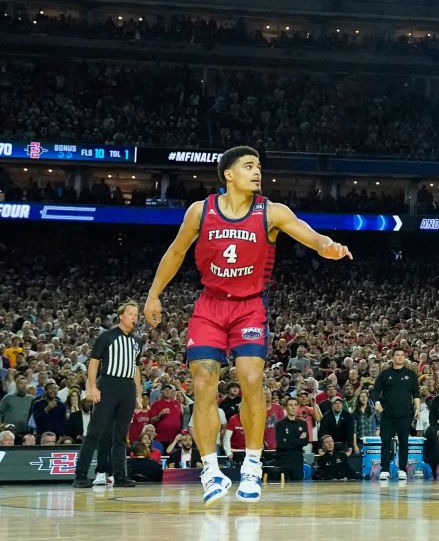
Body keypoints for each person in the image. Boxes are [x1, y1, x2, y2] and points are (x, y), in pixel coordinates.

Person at [143, 145, 354, 504]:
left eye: (259, 166)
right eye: (249, 166)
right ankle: (210, 470)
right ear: (229, 174)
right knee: (203, 381)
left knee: (252, 379)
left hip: (249, 308)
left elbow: (307, 232)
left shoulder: (271, 212)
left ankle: (252, 465)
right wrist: (153, 295)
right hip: (210, 306)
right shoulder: (201, 211)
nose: (257, 172)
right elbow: (176, 252)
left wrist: (327, 245)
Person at [73, 301, 144, 489]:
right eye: (131, 314)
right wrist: (92, 387)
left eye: (136, 315)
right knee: (95, 432)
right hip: (108, 384)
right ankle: (80, 475)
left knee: (121, 435)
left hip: (127, 388)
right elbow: (94, 362)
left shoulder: (137, 341)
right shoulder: (107, 336)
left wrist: (138, 393)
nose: (134, 318)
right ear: (121, 316)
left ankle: (120, 475)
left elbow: (136, 368)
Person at [371, 347, 418, 481]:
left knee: (404, 442)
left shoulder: (411, 374)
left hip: (404, 415)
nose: (400, 357)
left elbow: (416, 394)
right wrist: (377, 402)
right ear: (392, 357)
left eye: (402, 355)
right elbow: (375, 391)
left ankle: (402, 469)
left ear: (405, 357)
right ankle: (385, 470)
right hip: (388, 415)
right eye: (397, 355)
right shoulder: (385, 374)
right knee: (385, 442)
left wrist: (418, 409)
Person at [273, 397, 309, 481]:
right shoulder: (280, 424)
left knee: (298, 488)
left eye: (295, 405)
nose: (293, 407)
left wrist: (288, 439)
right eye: (290, 405)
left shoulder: (303, 424)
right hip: (282, 460)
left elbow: (305, 442)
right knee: (282, 489)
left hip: (297, 460)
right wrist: (298, 440)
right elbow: (281, 444)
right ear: (285, 407)